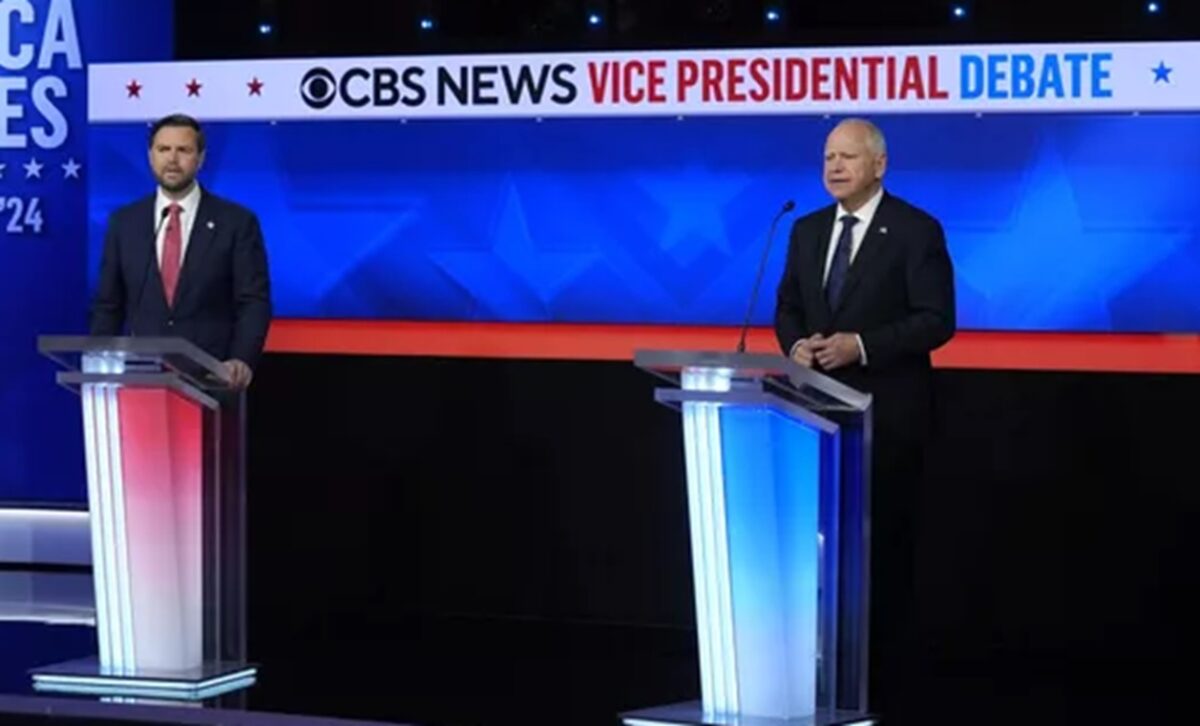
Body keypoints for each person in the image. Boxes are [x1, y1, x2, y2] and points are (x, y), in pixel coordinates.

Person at [774, 117, 955, 719]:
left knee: (882, 557)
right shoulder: (804, 230)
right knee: (819, 555)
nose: (834, 166)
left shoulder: (914, 229)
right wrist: (796, 345)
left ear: (879, 165)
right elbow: (788, 307)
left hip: (889, 424)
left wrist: (862, 346)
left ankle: (882, 686)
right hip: (814, 420)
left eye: (847, 157)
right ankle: (820, 676)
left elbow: (937, 320)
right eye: (828, 156)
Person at [89, 112, 271, 388]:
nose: (172, 159)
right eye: (164, 149)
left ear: (201, 158)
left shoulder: (236, 222)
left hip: (213, 379)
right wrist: (99, 361)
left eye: (183, 150)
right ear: (151, 156)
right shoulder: (124, 223)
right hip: (141, 380)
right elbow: (108, 304)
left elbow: (253, 301)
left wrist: (240, 359)